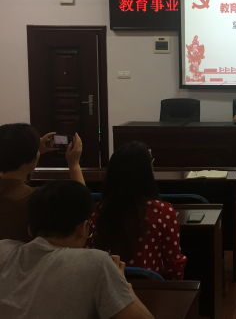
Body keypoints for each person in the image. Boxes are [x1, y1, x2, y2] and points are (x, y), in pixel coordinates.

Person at [0, 180, 154, 319]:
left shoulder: (3, 249)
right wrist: (124, 287)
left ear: (30, 229)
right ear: (82, 228)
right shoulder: (96, 263)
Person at [86, 141, 186, 279]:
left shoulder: (96, 212)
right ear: (147, 173)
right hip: (150, 290)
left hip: (107, 288)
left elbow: (88, 258)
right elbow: (174, 265)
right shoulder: (163, 212)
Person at [0, 123, 84, 242]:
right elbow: (81, 204)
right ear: (31, 158)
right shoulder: (35, 199)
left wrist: (35, 151)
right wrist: (74, 163)